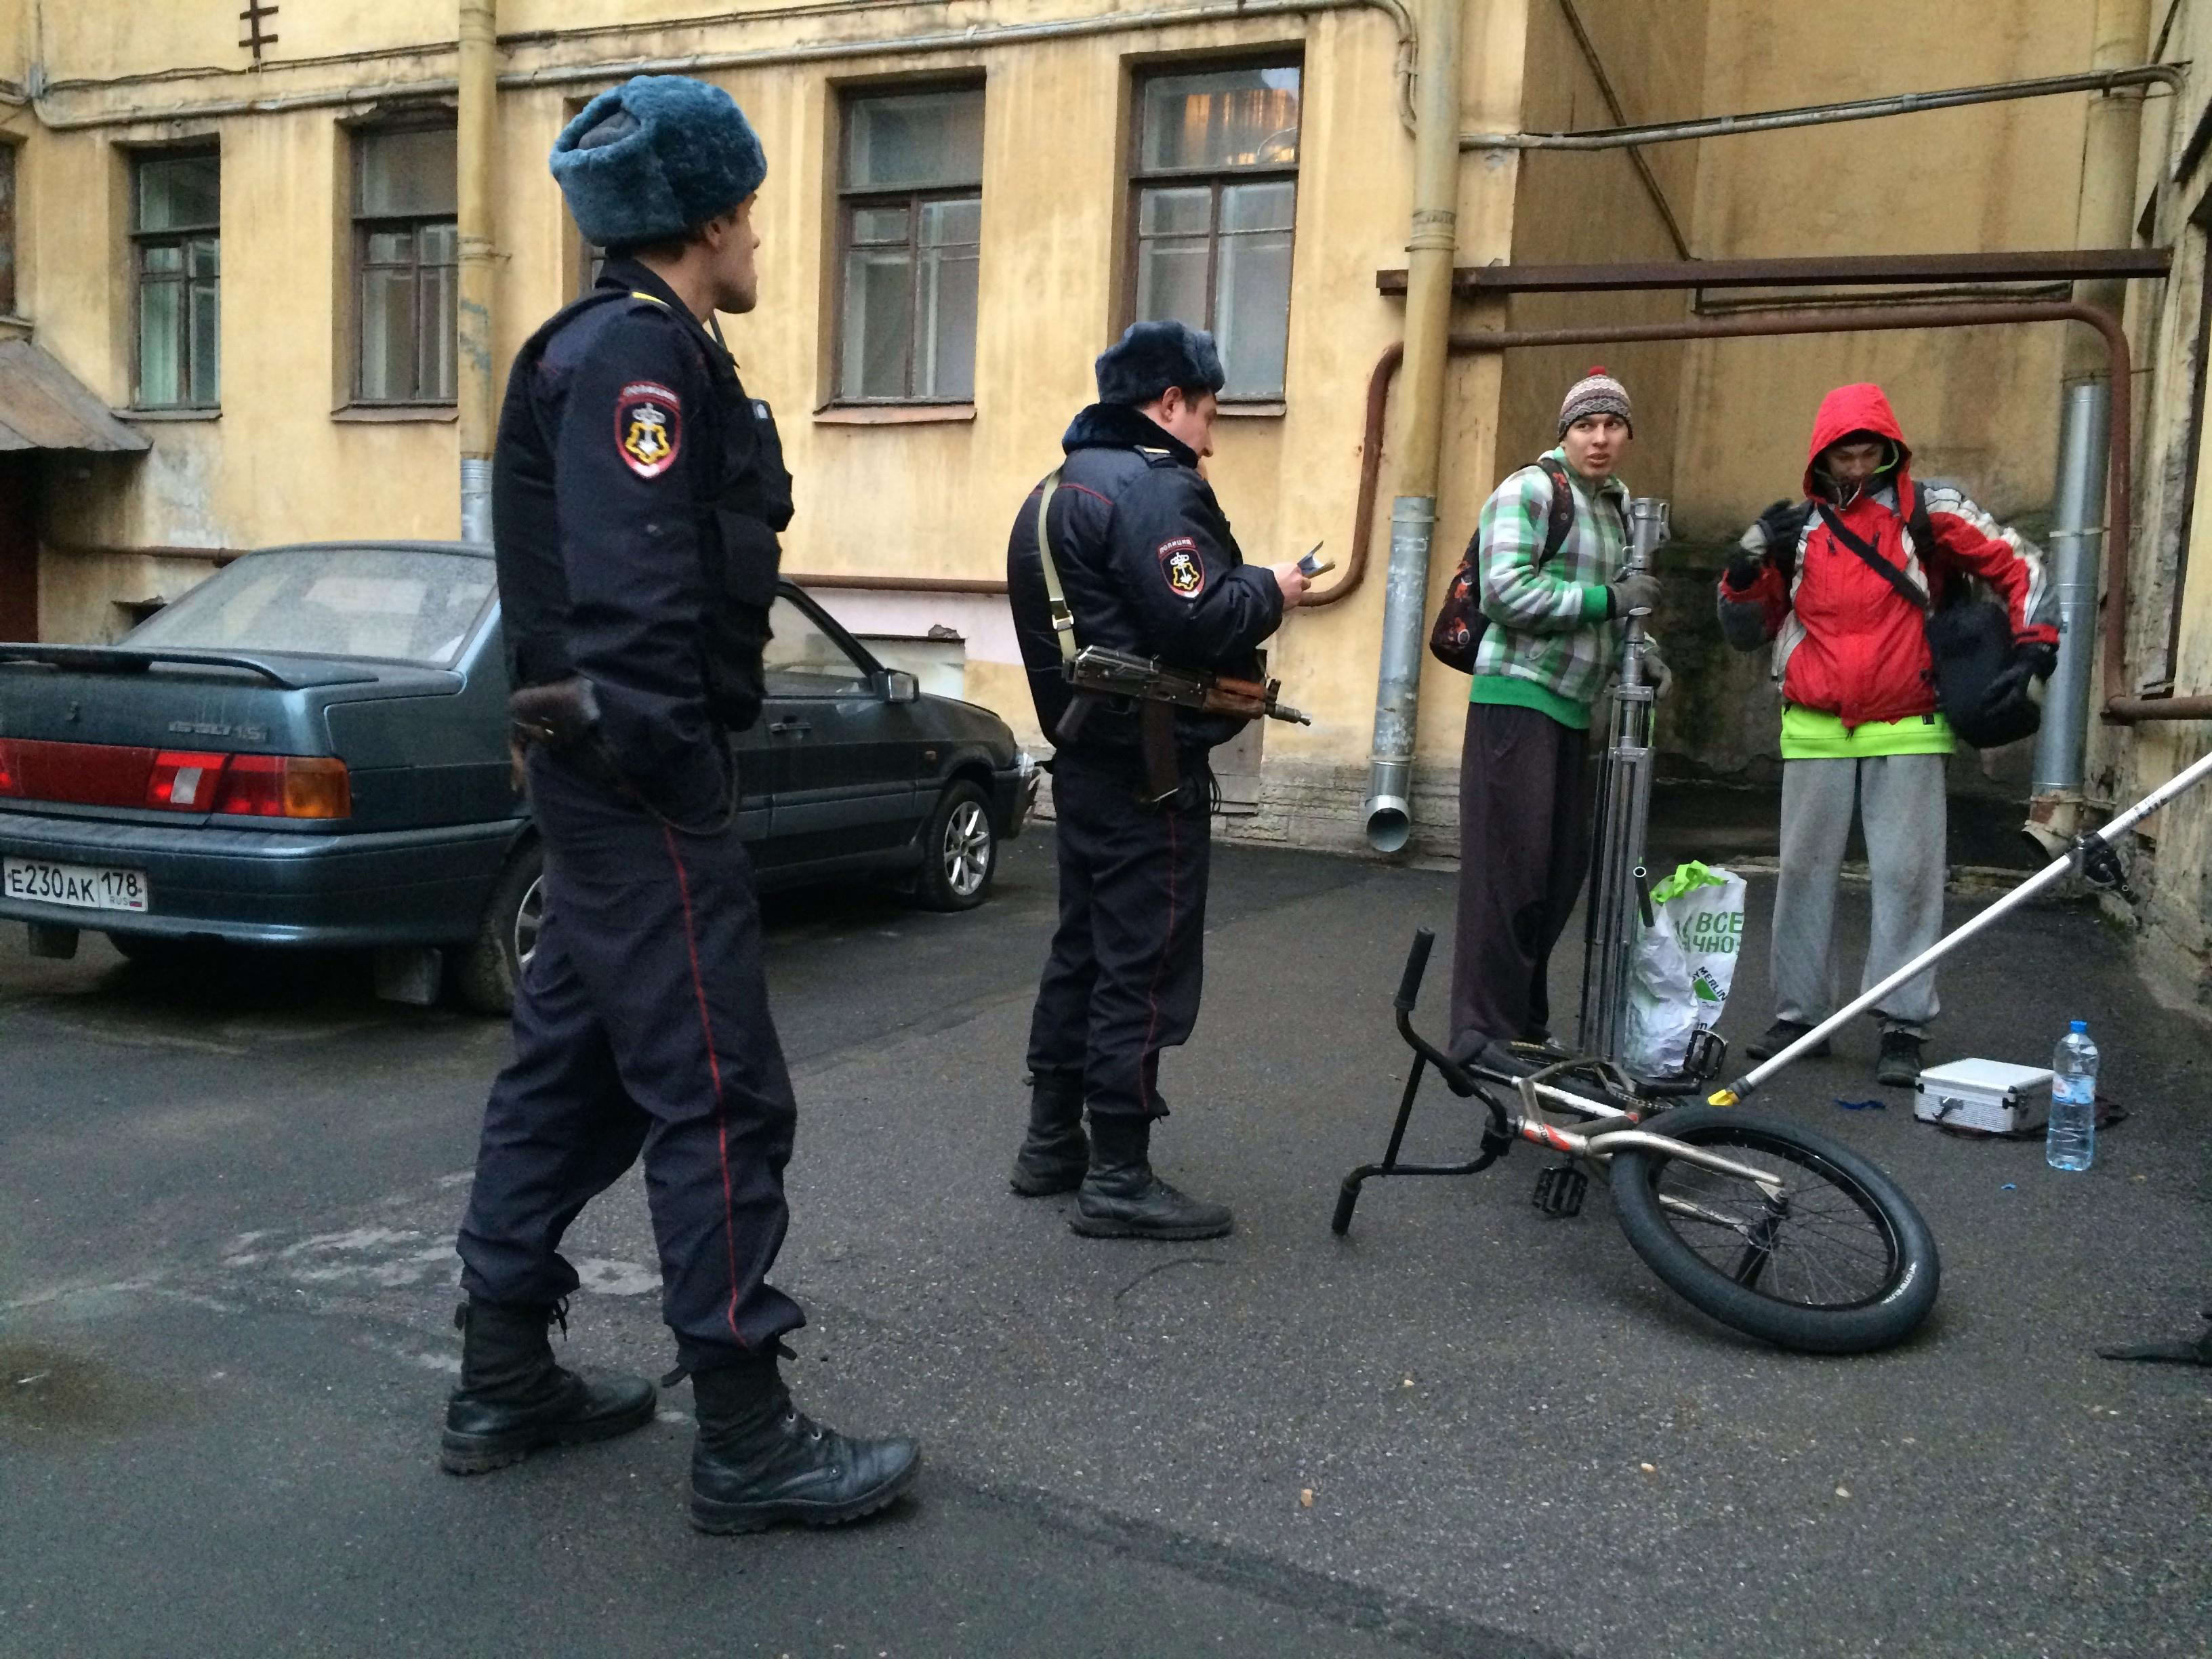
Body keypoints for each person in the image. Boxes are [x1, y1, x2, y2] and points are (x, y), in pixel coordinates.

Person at [443, 74, 918, 1534]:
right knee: (718, 1087)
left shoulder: (630, 346)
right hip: (640, 786)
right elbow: (636, 599)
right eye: (752, 211)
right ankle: (745, 1434)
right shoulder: (636, 359)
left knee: (569, 1074)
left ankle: (502, 1376)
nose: (761, 234)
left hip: (601, 787)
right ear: (708, 218)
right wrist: (676, 775)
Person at [1004, 321, 1309, 1240]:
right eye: (1208, 413)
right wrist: (1274, 588)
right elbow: (1200, 615)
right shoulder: (1153, 487)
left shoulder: (1053, 489)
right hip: (1153, 774)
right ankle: (1119, 1178)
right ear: (1169, 401)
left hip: (1086, 762)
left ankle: (1051, 1144)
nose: (1211, 439)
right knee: (1142, 968)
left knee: (1082, 952)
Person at [1719, 382, 2055, 1087]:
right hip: (1815, 725)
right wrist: (1744, 570)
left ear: (1889, 448)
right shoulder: (1797, 531)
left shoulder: (1930, 512)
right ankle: (1800, 1019)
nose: (1856, 460)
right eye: (1843, 450)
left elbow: (2019, 563)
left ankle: (1902, 1024)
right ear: (1821, 454)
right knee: (1802, 880)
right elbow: (1747, 630)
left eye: (1868, 448)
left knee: (1907, 880)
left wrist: (2034, 649)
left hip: (1909, 721)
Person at [1448, 369, 1664, 1075]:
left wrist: (1644, 657)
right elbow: (1506, 591)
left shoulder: (1616, 506)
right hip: (1516, 701)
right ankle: (1480, 1036)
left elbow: (1620, 608)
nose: (1599, 438)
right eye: (1585, 426)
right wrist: (1607, 601)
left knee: (1554, 876)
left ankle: (1525, 1028)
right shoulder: (1532, 491)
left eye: (1612, 425)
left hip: (1572, 709)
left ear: (1627, 434)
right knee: (1507, 877)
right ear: (1564, 433)